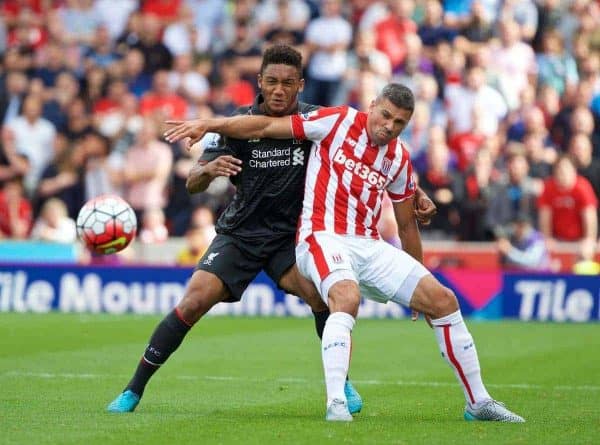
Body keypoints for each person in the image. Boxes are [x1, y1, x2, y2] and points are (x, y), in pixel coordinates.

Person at [164, 82, 525, 423]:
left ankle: (478, 402)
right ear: (372, 106)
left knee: (444, 300)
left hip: (368, 244)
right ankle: (336, 402)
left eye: (399, 122)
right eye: (385, 115)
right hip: (321, 236)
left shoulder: (398, 158)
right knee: (345, 297)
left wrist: (417, 285)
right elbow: (266, 126)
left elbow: (406, 226)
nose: (389, 126)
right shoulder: (337, 121)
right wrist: (208, 124)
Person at [108, 45, 437, 414]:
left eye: (287, 83)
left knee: (321, 296)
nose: (279, 90)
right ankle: (133, 390)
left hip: (292, 238)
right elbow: (193, 184)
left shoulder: (318, 120)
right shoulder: (239, 122)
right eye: (271, 82)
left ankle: (341, 383)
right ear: (260, 82)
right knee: (194, 300)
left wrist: (416, 190)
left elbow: (375, 138)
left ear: (300, 85)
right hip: (241, 233)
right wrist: (207, 171)